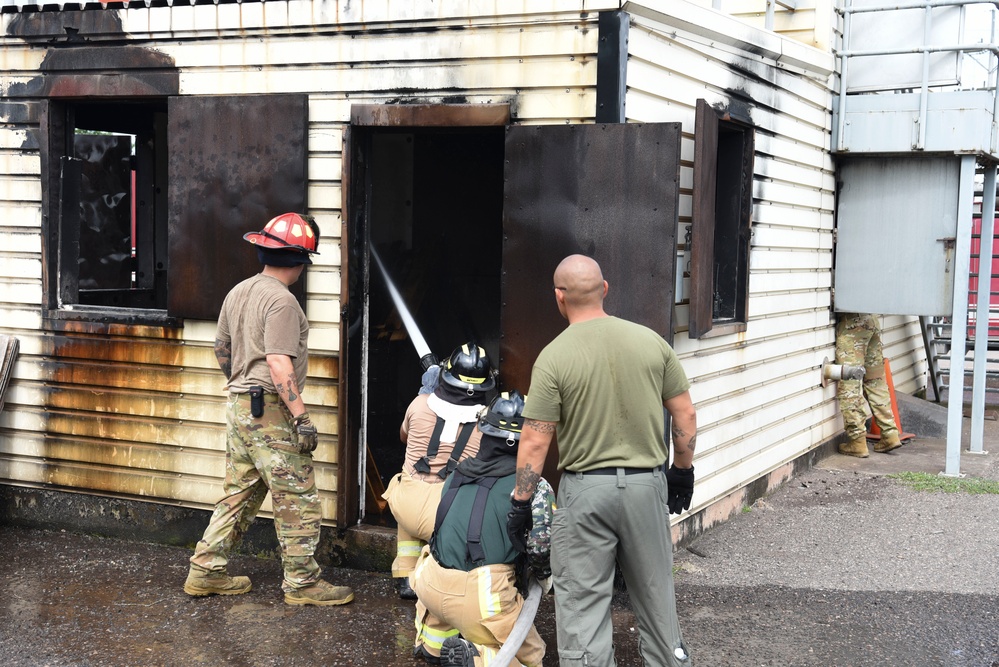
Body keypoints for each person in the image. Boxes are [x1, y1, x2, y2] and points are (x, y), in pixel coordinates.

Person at [507, 254, 696, 666]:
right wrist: (682, 471)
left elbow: (535, 442)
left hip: (585, 493)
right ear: (605, 289)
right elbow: (684, 415)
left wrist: (521, 501)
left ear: (559, 296)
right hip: (647, 487)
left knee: (583, 605)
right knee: (657, 598)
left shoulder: (553, 357)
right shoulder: (651, 342)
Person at [184, 212, 354, 607]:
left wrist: (242, 381)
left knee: (239, 493)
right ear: (300, 261)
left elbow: (221, 349)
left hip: (240, 406)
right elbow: (279, 362)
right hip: (270, 410)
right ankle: (302, 583)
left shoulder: (239, 291)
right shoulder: (282, 301)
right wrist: (301, 417)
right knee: (296, 495)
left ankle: (206, 570)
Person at [411, 390, 554, 667]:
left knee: (445, 626)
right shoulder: (534, 487)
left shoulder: (457, 472)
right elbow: (540, 548)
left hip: (430, 583)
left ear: (484, 431)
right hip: (480, 595)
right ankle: (478, 658)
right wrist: (543, 575)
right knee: (532, 657)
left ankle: (432, 646)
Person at [382, 343, 496, 601]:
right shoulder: (488, 425)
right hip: (448, 518)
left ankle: (406, 576)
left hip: (406, 507)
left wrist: (427, 391)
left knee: (407, 482)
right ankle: (435, 576)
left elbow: (404, 437)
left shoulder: (418, 404)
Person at [834, 313, 902, 457]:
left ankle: (857, 441)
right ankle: (890, 433)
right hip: (871, 319)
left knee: (850, 382)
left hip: (852, 322)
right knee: (875, 381)